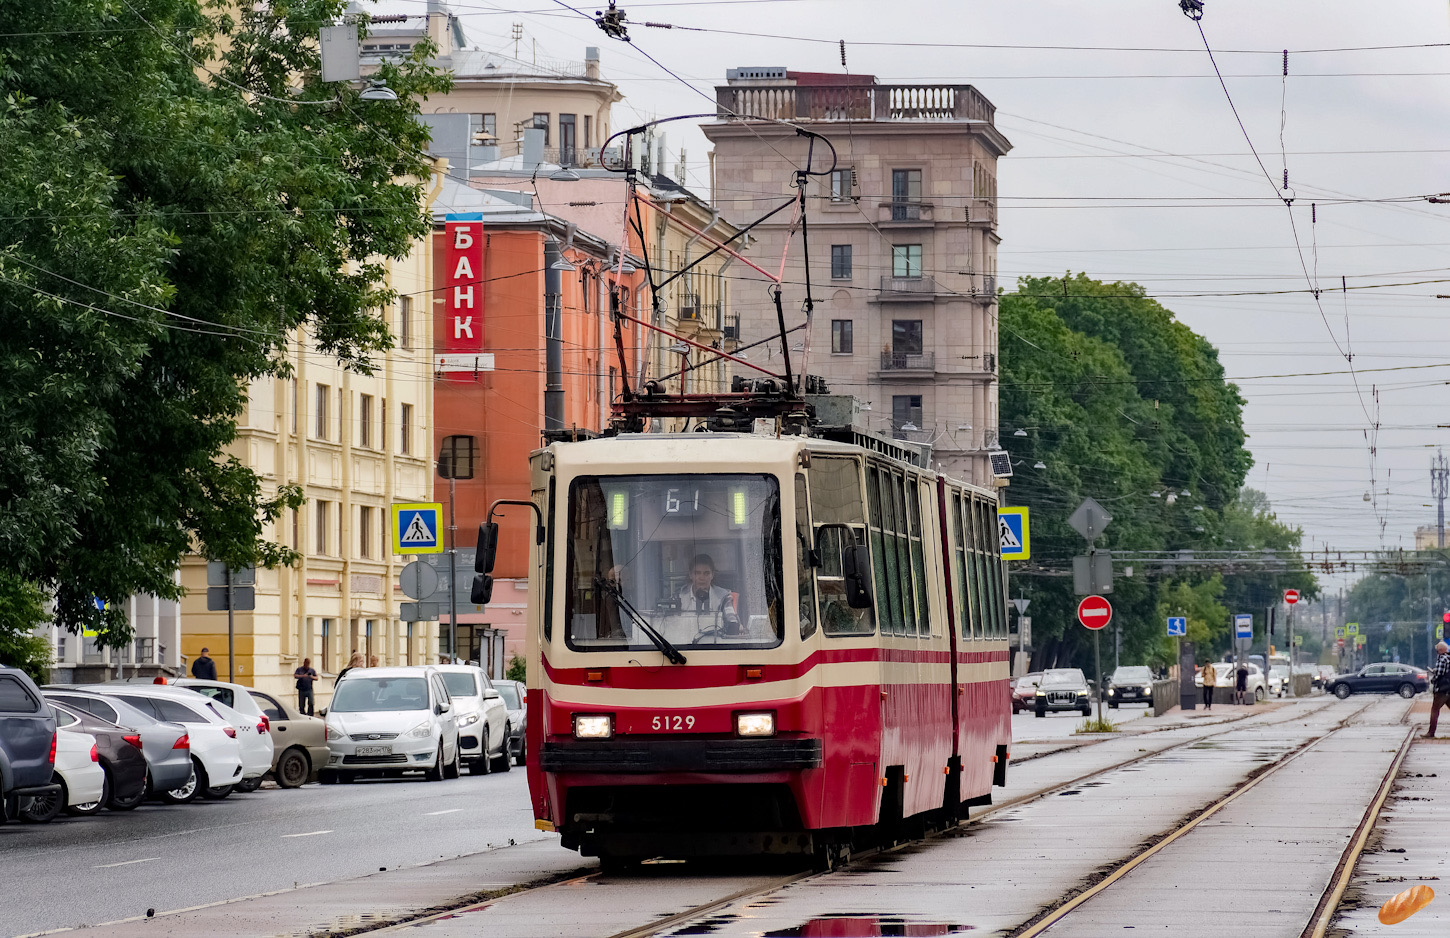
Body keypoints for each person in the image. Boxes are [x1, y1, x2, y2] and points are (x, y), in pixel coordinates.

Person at [677, 553, 740, 634]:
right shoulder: (679, 596)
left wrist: (734, 625)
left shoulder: (724, 596)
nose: (702, 578)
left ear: (712, 575)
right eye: (697, 573)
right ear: (690, 575)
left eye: (706, 573)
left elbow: (731, 618)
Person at [1427, 641, 1450, 738]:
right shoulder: (1448, 658)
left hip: (1441, 689)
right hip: (1448, 689)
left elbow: (1439, 674)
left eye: (1437, 650)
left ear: (1440, 650)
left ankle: (1431, 733)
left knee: (1434, 710)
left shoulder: (1442, 659)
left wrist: (1433, 679)